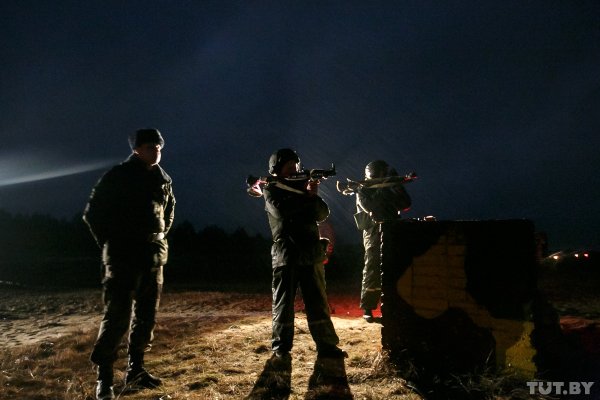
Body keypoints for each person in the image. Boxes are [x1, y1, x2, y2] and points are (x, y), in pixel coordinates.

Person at [83, 129, 175, 400]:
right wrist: (112, 244)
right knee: (117, 317)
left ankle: (136, 370)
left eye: (159, 146)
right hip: (123, 257)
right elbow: (93, 214)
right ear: (137, 149)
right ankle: (105, 380)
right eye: (150, 146)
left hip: (154, 256)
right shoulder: (118, 176)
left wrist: (157, 237)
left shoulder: (163, 178)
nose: (156, 151)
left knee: (146, 317)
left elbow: (169, 212)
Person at [262, 148, 345, 360]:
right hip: (286, 254)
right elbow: (283, 212)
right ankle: (281, 348)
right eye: (289, 168)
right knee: (283, 304)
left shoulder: (303, 191)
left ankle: (327, 346)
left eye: (296, 167)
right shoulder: (272, 189)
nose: (295, 171)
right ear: (277, 170)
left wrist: (312, 193)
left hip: (310, 253)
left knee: (318, 303)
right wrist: (305, 195)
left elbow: (322, 213)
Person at [354, 160, 411, 322]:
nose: (386, 175)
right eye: (383, 173)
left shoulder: (390, 186)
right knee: (372, 268)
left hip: (392, 230)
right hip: (373, 233)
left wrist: (396, 186)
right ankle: (368, 308)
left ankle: (393, 305)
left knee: (394, 268)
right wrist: (383, 189)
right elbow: (372, 208)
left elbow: (406, 204)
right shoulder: (363, 189)